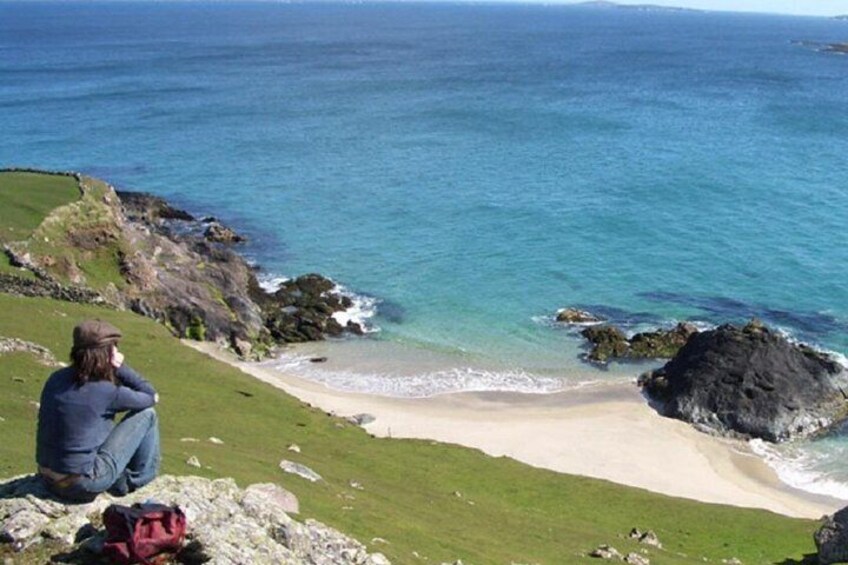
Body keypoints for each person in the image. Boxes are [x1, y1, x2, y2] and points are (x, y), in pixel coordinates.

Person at [36, 319, 160, 502]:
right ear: (107, 354)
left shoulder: (56, 379)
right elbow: (151, 396)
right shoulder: (106, 391)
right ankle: (136, 481)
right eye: (114, 348)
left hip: (47, 478)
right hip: (81, 484)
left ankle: (117, 478)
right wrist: (120, 368)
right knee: (147, 415)